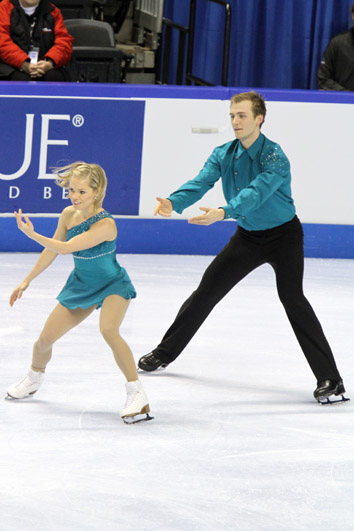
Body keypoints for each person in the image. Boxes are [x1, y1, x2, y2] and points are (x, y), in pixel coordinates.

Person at [138, 91, 348, 405]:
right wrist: (174, 201)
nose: (235, 121)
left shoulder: (275, 156)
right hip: (248, 237)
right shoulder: (223, 153)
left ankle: (330, 379)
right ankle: (165, 352)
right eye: (232, 116)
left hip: (284, 237)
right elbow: (201, 181)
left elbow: (256, 193)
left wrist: (223, 212)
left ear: (259, 118)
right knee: (206, 291)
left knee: (293, 300)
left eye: (242, 116)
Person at [7, 162, 152, 424]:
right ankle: (34, 378)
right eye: (71, 190)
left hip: (113, 285)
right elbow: (51, 250)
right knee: (43, 341)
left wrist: (31, 234)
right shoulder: (68, 215)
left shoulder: (106, 224)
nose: (74, 196)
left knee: (109, 330)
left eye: (82, 192)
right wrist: (26, 280)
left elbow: (65, 247)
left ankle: (136, 393)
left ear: (97, 192)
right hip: (81, 285)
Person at [0, 0, 73, 82]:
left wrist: (49, 63)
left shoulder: (53, 11)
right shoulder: (4, 8)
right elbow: (2, 42)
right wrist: (24, 64)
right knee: (20, 80)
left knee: (54, 77)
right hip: (12, 67)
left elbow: (64, 43)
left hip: (44, 66)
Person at [317, 2, 354, 91]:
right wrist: (347, 95)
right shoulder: (337, 44)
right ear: (353, 16)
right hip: (342, 102)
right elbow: (324, 78)